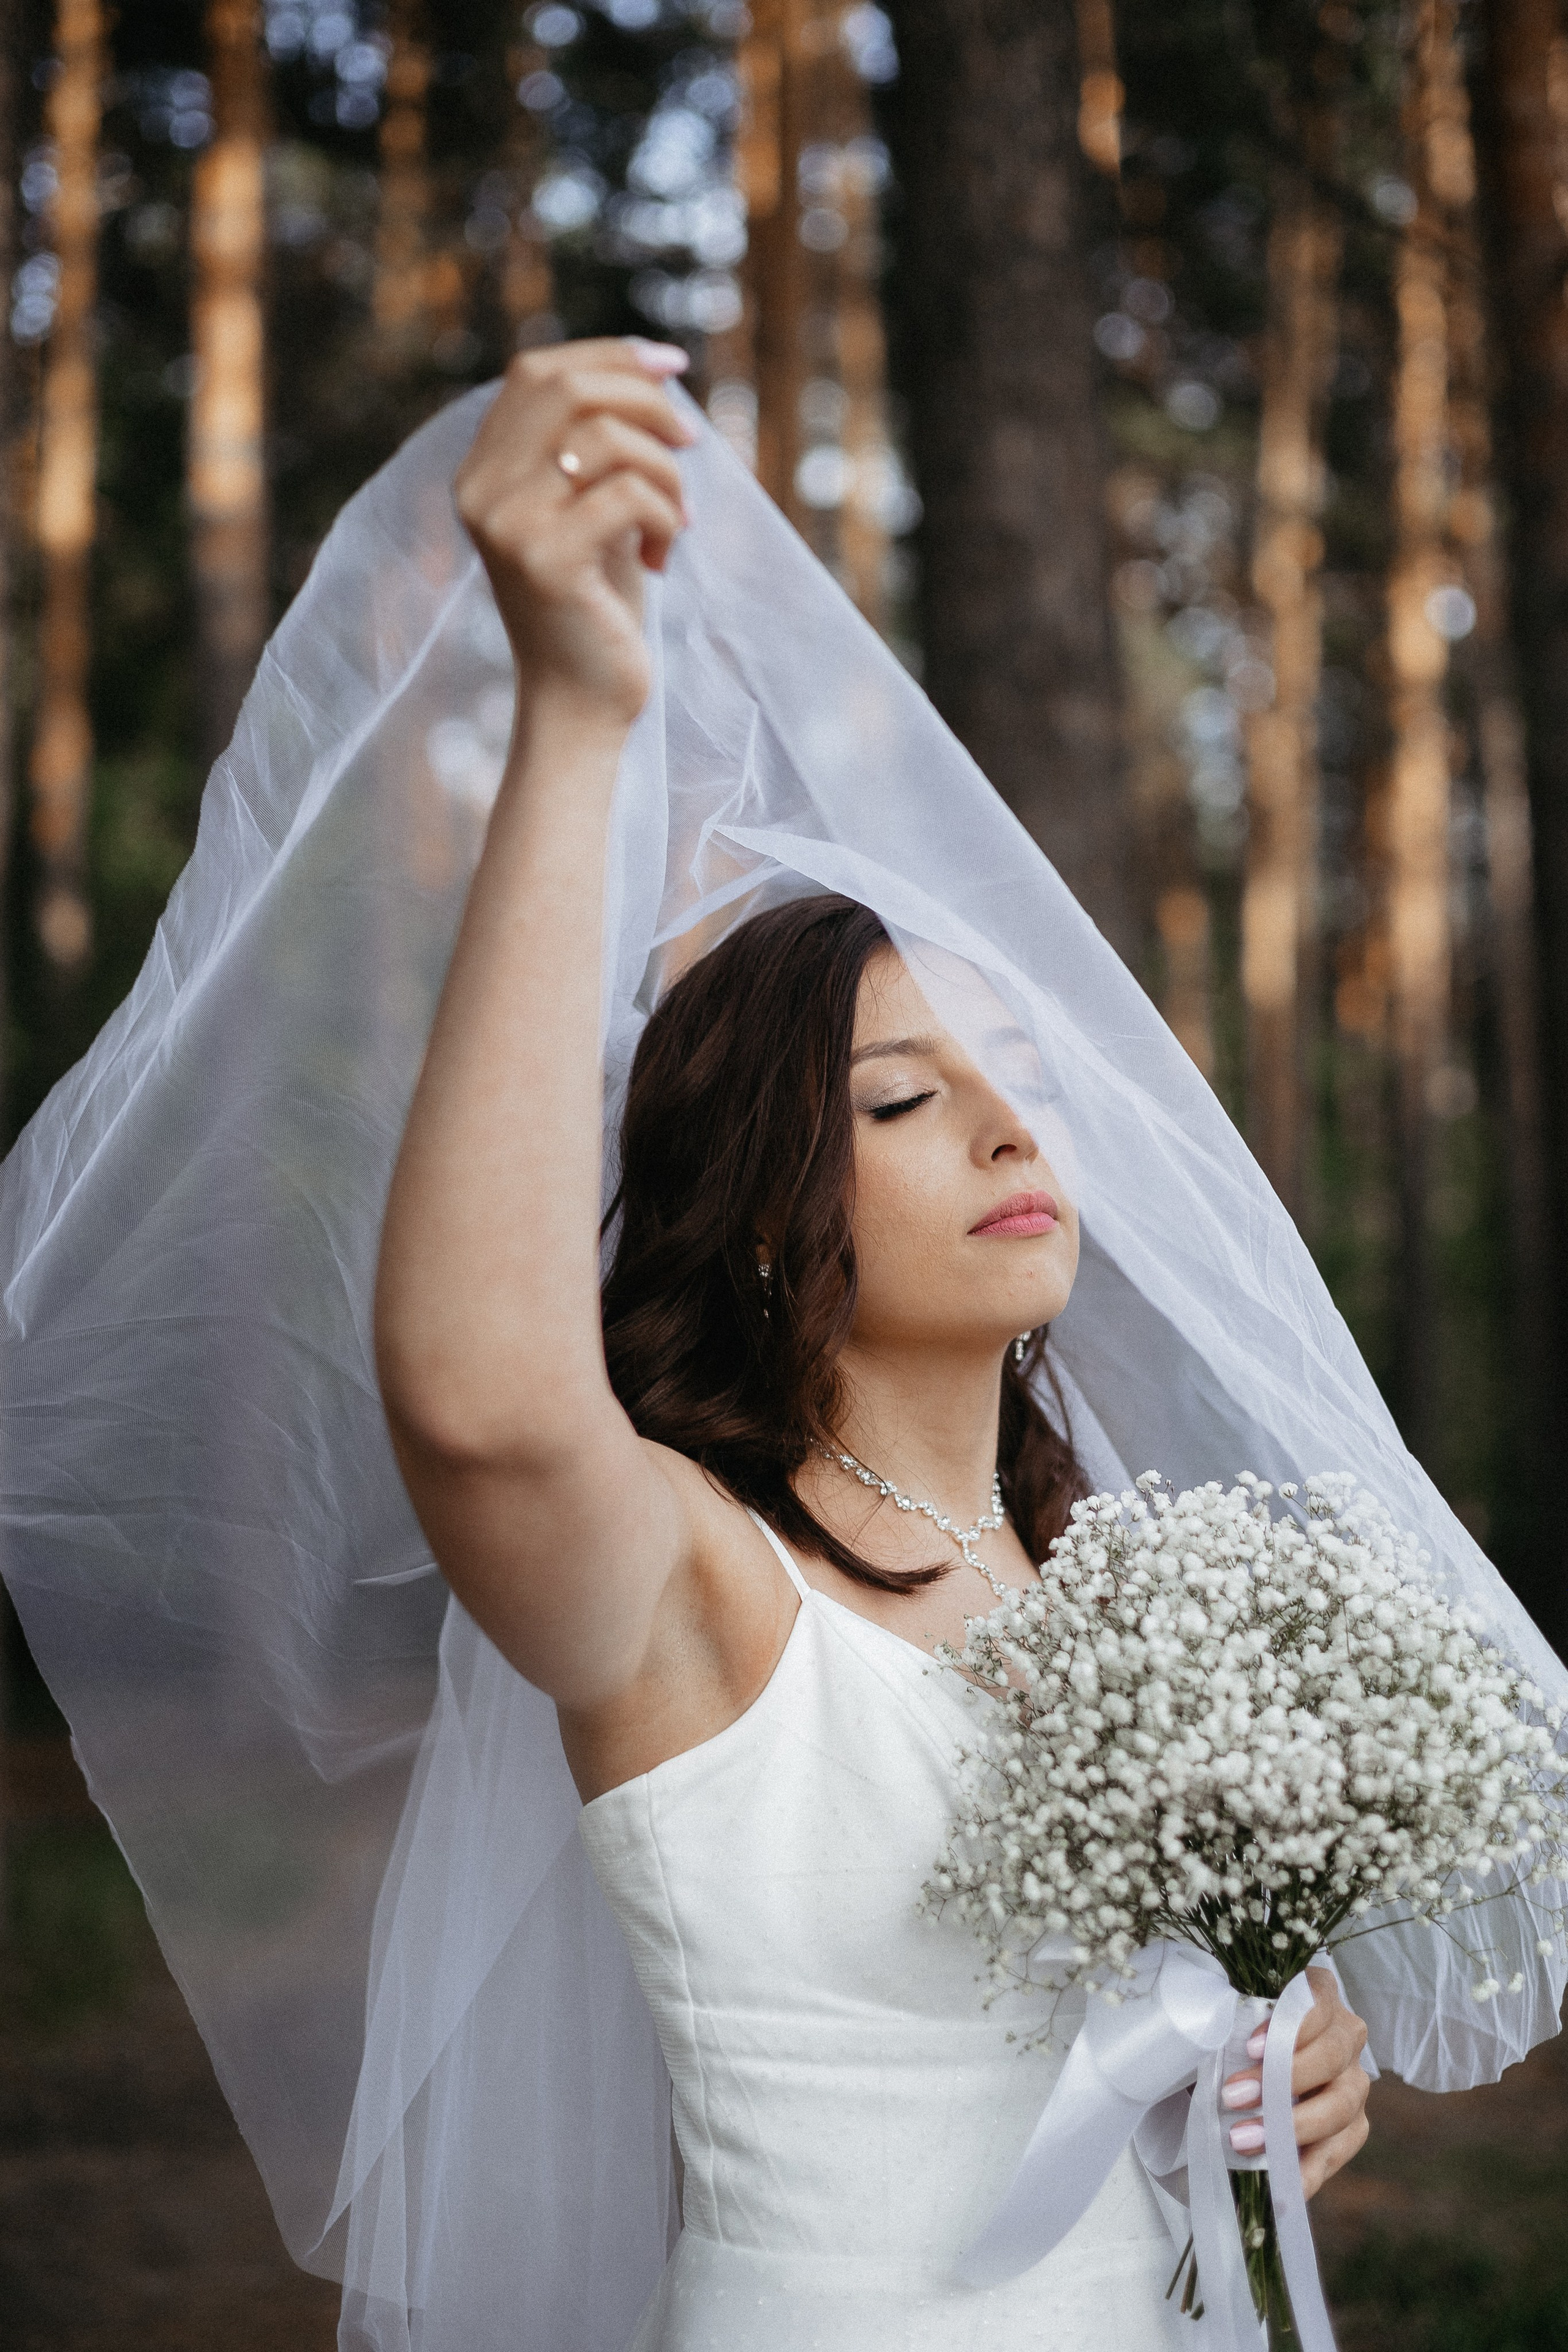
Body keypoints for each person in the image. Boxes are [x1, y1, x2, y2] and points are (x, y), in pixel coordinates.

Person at [370, 336, 1372, 2350]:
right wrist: (580, 708)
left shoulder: (1120, 1587)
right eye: (907, 1102)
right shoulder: (703, 1588)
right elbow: (480, 1407)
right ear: (763, 1206)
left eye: (1024, 1080)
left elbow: (1150, 2065)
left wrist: (1281, 2033)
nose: (1014, 1128)